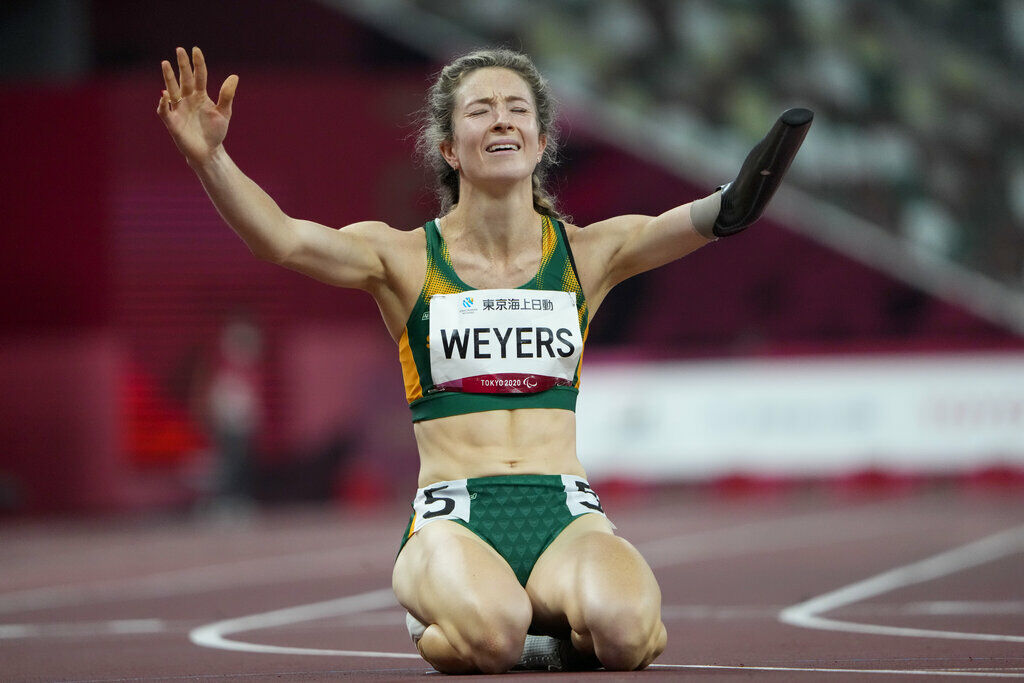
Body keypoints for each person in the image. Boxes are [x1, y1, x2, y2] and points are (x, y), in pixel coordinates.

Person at [158, 45, 811, 674]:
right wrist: (210, 158)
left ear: (541, 141)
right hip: (455, 519)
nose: (501, 119)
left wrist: (759, 174)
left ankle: (525, 629)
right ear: (449, 148)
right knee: (495, 636)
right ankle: (456, 624)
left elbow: (722, 212)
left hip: (564, 514)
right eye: (480, 110)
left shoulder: (588, 254)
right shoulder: (404, 258)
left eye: (517, 109)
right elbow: (280, 239)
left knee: (629, 634)